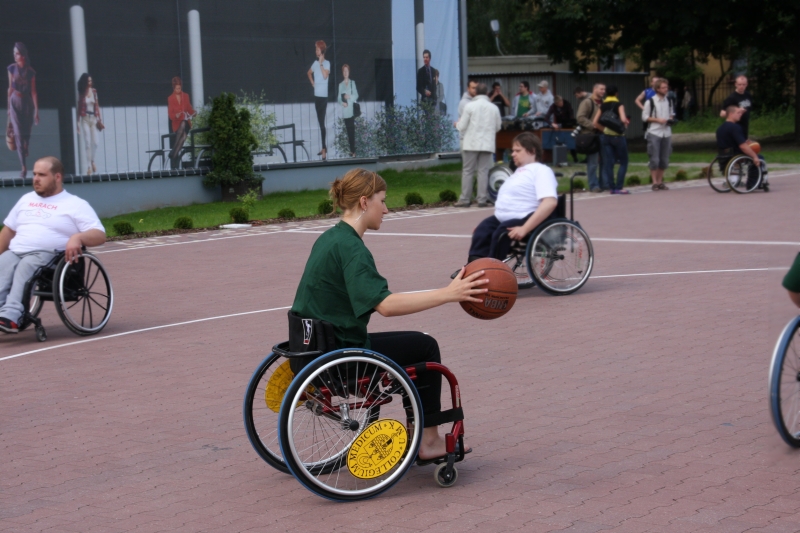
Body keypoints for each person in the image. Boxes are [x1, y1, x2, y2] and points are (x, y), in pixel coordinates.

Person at [291, 168, 485, 461]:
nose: (386, 209)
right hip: (341, 356)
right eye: (382, 201)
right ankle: (428, 441)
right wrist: (449, 294)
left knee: (412, 346)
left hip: (312, 348)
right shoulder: (351, 248)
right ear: (364, 202)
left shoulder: (330, 238)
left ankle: (418, 430)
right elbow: (386, 305)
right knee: (425, 347)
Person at [0, 156, 106, 334]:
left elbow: (99, 235)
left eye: (42, 175)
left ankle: (12, 315)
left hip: (49, 254)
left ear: (57, 177)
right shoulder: (26, 199)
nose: (35, 179)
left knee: (27, 265)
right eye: (34, 174)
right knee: (3, 264)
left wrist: (78, 238)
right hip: (17, 251)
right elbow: (9, 230)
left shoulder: (75, 204)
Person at [464, 132, 558, 263]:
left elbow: (550, 202)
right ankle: (473, 267)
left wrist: (525, 228)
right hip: (504, 219)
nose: (513, 154)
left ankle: (493, 269)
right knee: (482, 230)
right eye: (513, 151)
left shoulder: (541, 171)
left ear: (532, 151)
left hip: (526, 217)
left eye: (517, 151)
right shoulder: (519, 172)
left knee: (501, 234)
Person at [455, 83, 501, 208]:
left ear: (476, 93)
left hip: (471, 143)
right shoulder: (494, 108)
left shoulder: (469, 106)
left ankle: (465, 199)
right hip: (487, 143)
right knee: (483, 171)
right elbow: (498, 127)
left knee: (468, 171)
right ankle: (482, 199)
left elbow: (462, 126)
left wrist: (456, 125)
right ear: (487, 93)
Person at [716, 105, 768, 189]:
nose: (741, 114)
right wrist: (754, 156)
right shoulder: (735, 127)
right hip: (736, 155)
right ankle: (753, 184)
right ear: (731, 114)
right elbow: (743, 146)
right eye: (738, 112)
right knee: (759, 158)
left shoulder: (720, 129)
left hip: (724, 155)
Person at [6, 42, 38, 178]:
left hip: (27, 103)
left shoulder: (30, 72)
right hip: (15, 101)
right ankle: (23, 167)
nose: (15, 55)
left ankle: (26, 145)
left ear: (23, 55)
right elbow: (10, 88)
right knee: (18, 134)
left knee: (26, 132)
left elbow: (34, 92)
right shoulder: (11, 68)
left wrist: (37, 111)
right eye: (14, 53)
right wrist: (8, 107)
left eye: (17, 53)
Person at [593, 84, 630, 194]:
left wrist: (604, 130)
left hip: (606, 137)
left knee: (609, 163)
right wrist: (626, 122)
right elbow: (623, 119)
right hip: (618, 136)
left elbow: (595, 122)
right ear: (616, 94)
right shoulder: (619, 104)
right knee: (623, 162)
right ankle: (619, 187)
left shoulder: (602, 105)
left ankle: (612, 188)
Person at [642, 79, 673, 191]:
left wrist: (670, 119)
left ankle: (660, 181)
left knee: (664, 158)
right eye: (663, 88)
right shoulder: (650, 101)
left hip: (666, 132)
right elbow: (644, 117)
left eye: (666, 87)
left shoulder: (669, 101)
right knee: (654, 158)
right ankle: (654, 182)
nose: (666, 89)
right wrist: (657, 120)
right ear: (657, 89)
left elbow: (671, 113)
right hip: (654, 131)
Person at [576, 83, 605, 192]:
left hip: (603, 134)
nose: (603, 91)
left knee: (605, 161)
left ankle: (604, 183)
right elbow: (580, 117)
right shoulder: (587, 102)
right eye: (601, 89)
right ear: (594, 89)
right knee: (593, 162)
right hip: (591, 135)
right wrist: (593, 125)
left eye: (604, 89)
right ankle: (594, 185)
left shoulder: (604, 102)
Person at [307, 40, 330, 161]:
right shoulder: (315, 63)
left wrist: (321, 64)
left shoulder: (326, 63)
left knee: (322, 122)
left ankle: (324, 149)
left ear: (322, 50)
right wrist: (313, 83)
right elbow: (309, 73)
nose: (316, 51)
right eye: (315, 49)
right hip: (317, 96)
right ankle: (324, 147)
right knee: (320, 122)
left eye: (317, 49)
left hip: (323, 97)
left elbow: (325, 76)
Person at [76, 73, 102, 176]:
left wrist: (100, 119)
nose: (90, 83)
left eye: (91, 81)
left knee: (95, 142)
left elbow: (97, 106)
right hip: (85, 118)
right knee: (87, 142)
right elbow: (79, 109)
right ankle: (88, 167)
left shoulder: (94, 91)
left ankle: (92, 160)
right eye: (88, 81)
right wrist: (78, 123)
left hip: (93, 119)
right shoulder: (82, 93)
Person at [167, 76, 196, 168]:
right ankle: (174, 155)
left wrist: (194, 113)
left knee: (184, 123)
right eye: (176, 88)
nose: (178, 90)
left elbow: (189, 109)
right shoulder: (170, 98)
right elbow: (170, 115)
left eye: (179, 88)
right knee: (183, 137)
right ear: (173, 88)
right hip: (176, 124)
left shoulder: (186, 96)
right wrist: (176, 115)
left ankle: (173, 150)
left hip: (185, 122)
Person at [720, 75, 754, 140]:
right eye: (739, 84)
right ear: (735, 84)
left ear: (747, 84)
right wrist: (737, 111)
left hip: (745, 125)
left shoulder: (748, 95)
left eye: (743, 84)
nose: (741, 86)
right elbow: (722, 114)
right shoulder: (732, 98)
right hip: (735, 126)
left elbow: (749, 108)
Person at [338, 64, 359, 157]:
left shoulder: (352, 83)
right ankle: (351, 150)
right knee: (348, 131)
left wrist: (349, 97)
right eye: (344, 71)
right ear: (342, 73)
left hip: (352, 110)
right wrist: (342, 103)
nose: (345, 73)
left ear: (349, 72)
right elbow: (339, 98)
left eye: (347, 71)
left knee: (352, 131)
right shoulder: (340, 85)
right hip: (345, 111)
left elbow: (356, 95)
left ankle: (353, 151)